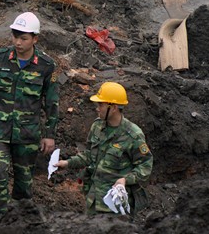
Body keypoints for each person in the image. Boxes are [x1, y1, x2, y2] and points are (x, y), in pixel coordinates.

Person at [0, 12, 58, 223]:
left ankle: (19, 223)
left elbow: (51, 103)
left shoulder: (46, 66)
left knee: (23, 184)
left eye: (24, 38)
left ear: (35, 39)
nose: (18, 42)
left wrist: (49, 135)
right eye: (15, 36)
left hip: (27, 134)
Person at [54, 82, 153, 216]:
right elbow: (89, 155)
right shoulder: (97, 126)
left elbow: (145, 165)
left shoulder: (133, 135)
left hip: (115, 206)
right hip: (93, 201)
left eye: (101, 104)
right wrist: (67, 163)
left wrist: (125, 180)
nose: (97, 108)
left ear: (113, 108)